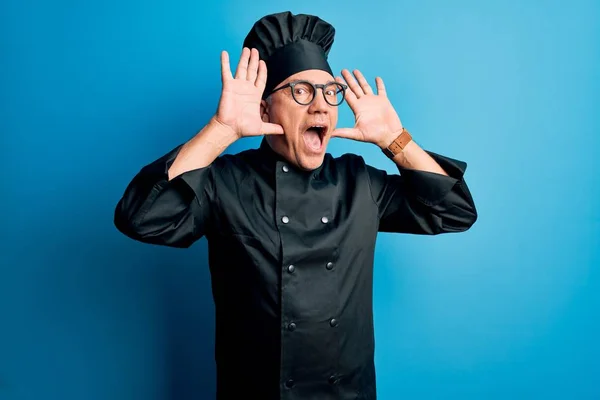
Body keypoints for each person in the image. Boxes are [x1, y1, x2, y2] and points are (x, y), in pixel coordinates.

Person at [114, 11, 477, 400]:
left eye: (329, 91)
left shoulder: (360, 183)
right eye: (301, 91)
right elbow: (141, 218)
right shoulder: (225, 183)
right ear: (264, 109)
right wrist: (220, 131)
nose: (320, 105)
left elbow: (454, 210)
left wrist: (395, 139)